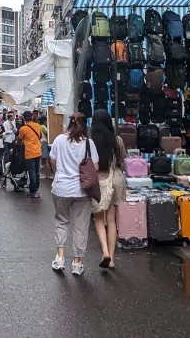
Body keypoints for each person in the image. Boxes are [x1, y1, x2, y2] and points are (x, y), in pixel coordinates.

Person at [49, 112, 98, 276]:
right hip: (81, 190)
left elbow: (52, 160)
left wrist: (60, 173)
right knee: (81, 226)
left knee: (61, 221)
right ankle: (77, 263)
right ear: (85, 125)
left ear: (69, 124)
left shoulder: (59, 139)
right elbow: (95, 167)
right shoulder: (89, 144)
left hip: (61, 188)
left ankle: (60, 258)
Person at [90, 110, 126, 270]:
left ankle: (104, 251)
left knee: (99, 219)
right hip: (116, 177)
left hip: (100, 179)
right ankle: (111, 258)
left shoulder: (91, 142)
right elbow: (122, 160)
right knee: (111, 220)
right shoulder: (117, 140)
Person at [17, 110, 43, 198]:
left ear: (24, 118)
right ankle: (36, 189)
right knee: (37, 172)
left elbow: (19, 140)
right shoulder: (38, 126)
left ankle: (33, 191)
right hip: (38, 152)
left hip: (29, 153)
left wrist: (19, 143)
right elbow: (40, 136)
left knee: (31, 172)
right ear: (32, 117)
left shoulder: (23, 129)